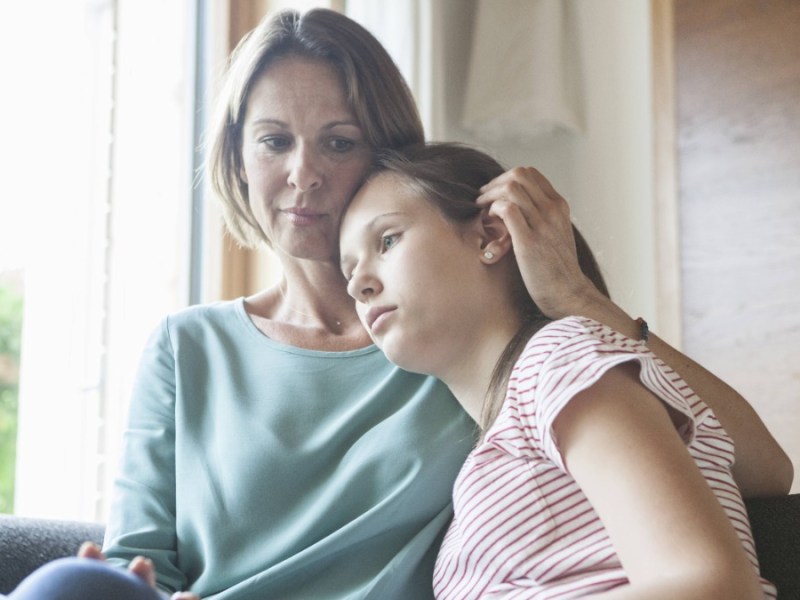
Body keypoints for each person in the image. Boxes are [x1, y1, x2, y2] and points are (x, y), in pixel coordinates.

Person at [4, 7, 790, 600]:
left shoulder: (456, 342)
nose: (305, 174)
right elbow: (146, 563)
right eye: (274, 141)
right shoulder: (188, 348)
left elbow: (754, 463)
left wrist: (578, 299)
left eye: (338, 141)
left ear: (384, 155)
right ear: (240, 159)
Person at [339, 142, 778, 599]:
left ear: (489, 234)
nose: (359, 284)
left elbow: (714, 586)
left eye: (386, 241)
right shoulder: (521, 418)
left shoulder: (558, 361)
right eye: (348, 270)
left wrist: (578, 298)